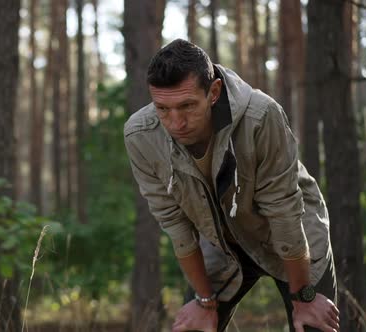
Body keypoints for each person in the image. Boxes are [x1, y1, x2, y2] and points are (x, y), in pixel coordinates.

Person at [123, 39, 339, 332]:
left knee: (314, 324)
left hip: (295, 235)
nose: (176, 122)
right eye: (163, 108)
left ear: (213, 92)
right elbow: (174, 223)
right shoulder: (141, 135)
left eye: (187, 106)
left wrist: (303, 295)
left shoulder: (261, 117)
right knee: (195, 327)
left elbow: (284, 211)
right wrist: (203, 299)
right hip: (221, 245)